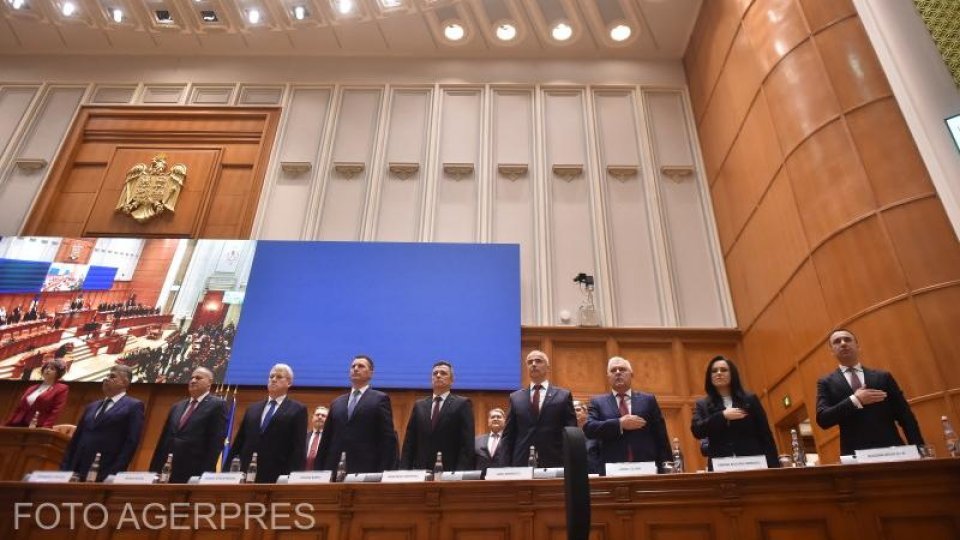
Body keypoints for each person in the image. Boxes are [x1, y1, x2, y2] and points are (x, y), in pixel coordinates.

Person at [816, 329, 924, 456]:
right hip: (855, 456)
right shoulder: (826, 382)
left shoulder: (883, 377)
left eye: (847, 339)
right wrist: (855, 400)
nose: (843, 343)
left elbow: (905, 417)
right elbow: (823, 419)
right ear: (832, 351)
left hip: (893, 451)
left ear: (858, 346)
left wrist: (920, 450)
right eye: (837, 341)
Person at [584, 356, 670, 472]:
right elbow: (589, 428)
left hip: (646, 466)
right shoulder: (597, 402)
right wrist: (619, 424)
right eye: (613, 370)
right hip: (612, 468)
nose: (618, 373)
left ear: (631, 374)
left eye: (622, 369)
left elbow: (661, 436)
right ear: (608, 377)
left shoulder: (648, 400)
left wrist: (667, 465)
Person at [691, 356, 778, 469]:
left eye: (724, 370)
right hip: (721, 467)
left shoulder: (750, 399)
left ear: (732, 374)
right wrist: (722, 416)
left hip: (753, 464)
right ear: (709, 377)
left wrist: (774, 468)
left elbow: (765, 435)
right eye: (714, 371)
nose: (719, 373)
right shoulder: (702, 404)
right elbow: (697, 430)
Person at [315, 355, 399, 473]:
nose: (355, 368)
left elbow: (387, 439)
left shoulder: (380, 399)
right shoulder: (337, 402)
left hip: (366, 469)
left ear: (371, 373)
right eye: (353, 366)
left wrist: (383, 472)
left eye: (361, 366)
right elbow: (326, 440)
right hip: (333, 468)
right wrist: (319, 470)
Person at [60, 365, 145, 481]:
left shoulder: (134, 406)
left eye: (112, 376)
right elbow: (76, 438)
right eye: (106, 376)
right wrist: (65, 467)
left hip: (104, 470)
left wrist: (114, 473)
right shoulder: (91, 406)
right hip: (76, 469)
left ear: (125, 382)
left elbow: (131, 442)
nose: (106, 379)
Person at [226, 364, 307, 483]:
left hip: (277, 476)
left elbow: (298, 448)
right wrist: (226, 471)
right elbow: (239, 442)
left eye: (279, 377)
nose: (273, 379)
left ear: (289, 383)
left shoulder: (298, 409)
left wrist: (292, 478)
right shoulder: (252, 409)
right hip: (245, 474)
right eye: (271, 376)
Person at [148, 367, 227, 483]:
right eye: (192, 378)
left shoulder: (217, 405)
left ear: (209, 383)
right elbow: (164, 440)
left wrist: (205, 474)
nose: (193, 380)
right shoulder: (177, 406)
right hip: (167, 469)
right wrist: (153, 470)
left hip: (194, 471)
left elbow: (216, 442)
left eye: (198, 378)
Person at [501, 350, 577, 467]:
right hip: (521, 462)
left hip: (555, 461)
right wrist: (505, 467)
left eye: (538, 361)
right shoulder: (516, 397)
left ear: (548, 367)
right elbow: (508, 436)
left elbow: (571, 433)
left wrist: (571, 464)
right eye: (530, 362)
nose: (534, 364)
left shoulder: (563, 396)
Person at [400, 361, 475, 471]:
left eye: (443, 373)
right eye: (435, 373)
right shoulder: (419, 405)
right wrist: (404, 470)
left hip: (450, 471)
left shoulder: (462, 404)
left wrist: (460, 474)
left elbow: (467, 444)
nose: (438, 375)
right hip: (421, 471)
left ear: (452, 380)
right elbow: (409, 442)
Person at [5, 359, 69, 427]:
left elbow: (56, 411)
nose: (48, 370)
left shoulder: (61, 389)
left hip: (38, 426)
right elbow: (20, 407)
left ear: (58, 373)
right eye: (46, 368)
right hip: (18, 423)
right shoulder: (32, 387)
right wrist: (9, 423)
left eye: (52, 369)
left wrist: (45, 428)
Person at [574, 399, 602, 474]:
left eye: (577, 410)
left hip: (595, 474)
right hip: (574, 474)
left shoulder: (596, 431)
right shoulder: (566, 433)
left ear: (586, 412)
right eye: (571, 410)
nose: (574, 413)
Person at [305, 405, 328, 470]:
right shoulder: (303, 437)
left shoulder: (331, 439)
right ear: (312, 418)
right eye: (317, 415)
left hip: (322, 475)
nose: (320, 417)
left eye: (323, 416)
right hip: (302, 475)